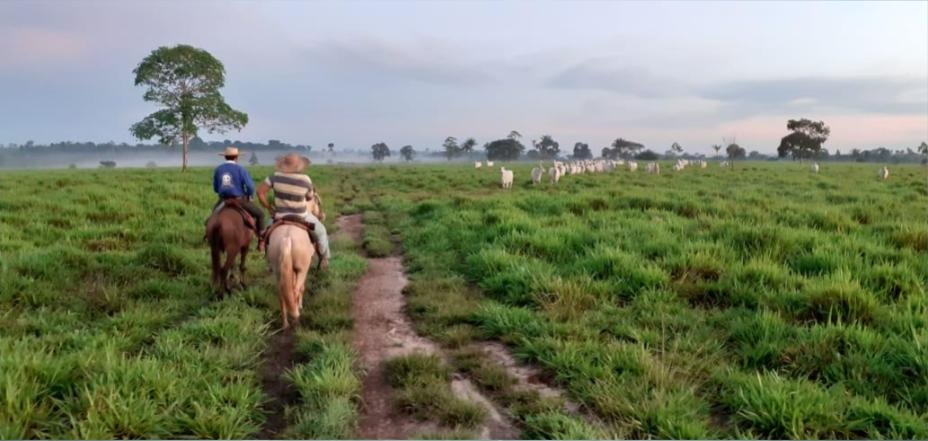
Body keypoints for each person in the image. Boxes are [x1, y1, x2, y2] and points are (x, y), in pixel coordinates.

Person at [257, 153, 330, 268]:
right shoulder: (306, 179)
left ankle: (268, 260)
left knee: (265, 235)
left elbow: (260, 192)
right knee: (321, 232)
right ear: (298, 166)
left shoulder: (274, 177)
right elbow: (309, 197)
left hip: (279, 216)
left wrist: (269, 208)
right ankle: (324, 257)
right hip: (301, 215)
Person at [211, 146, 265, 246]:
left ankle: (209, 235)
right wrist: (249, 195)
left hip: (223, 200)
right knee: (260, 214)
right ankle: (261, 240)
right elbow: (249, 186)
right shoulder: (241, 169)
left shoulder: (218, 169)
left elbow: (215, 188)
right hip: (239, 200)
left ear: (225, 157)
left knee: (213, 215)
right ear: (236, 157)